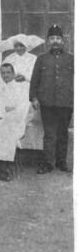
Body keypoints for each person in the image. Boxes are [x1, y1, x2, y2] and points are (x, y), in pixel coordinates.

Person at [30, 25, 73, 174]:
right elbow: (34, 80)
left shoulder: (71, 59)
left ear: (62, 41)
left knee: (62, 133)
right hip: (47, 102)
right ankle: (48, 163)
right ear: (48, 41)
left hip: (66, 103)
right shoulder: (41, 59)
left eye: (58, 38)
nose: (55, 41)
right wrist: (34, 98)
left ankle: (61, 162)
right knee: (49, 134)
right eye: (52, 38)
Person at [0, 63, 30, 182]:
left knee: (6, 133)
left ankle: (5, 170)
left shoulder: (21, 88)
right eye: (3, 73)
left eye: (8, 72)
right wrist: (1, 111)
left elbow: (23, 107)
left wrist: (7, 112)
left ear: (13, 73)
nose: (6, 75)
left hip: (15, 121)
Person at [3, 36, 41, 149]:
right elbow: (3, 73)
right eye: (16, 46)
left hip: (26, 89)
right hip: (12, 89)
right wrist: (9, 78)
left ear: (26, 46)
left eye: (21, 46)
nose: (19, 48)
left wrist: (25, 77)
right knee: (10, 113)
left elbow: (37, 76)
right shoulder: (9, 58)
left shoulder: (33, 59)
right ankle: (13, 140)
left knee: (22, 114)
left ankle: (17, 138)